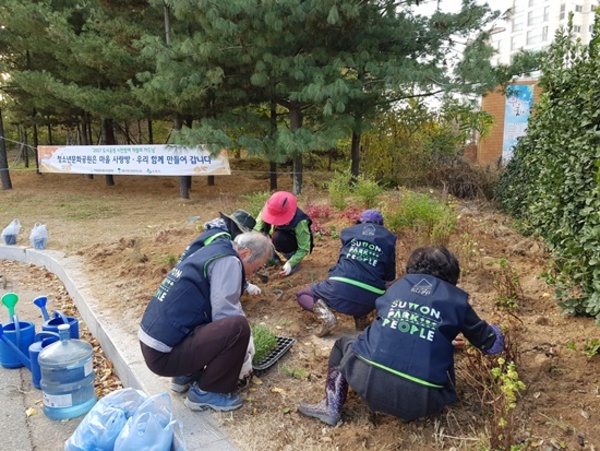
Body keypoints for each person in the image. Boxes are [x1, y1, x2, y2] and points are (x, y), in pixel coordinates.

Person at [298, 246, 504, 425]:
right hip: (425, 400)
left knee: (343, 344)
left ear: (412, 269)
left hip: (367, 381)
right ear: (453, 276)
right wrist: (496, 330)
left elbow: (398, 327)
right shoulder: (457, 301)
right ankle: (406, 410)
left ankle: (331, 406)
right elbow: (492, 345)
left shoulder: (396, 287)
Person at [138, 231, 273, 412]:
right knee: (238, 328)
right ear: (246, 253)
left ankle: (184, 375)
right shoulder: (230, 262)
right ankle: (207, 392)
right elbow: (226, 314)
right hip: (163, 356)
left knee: (211, 321)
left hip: (155, 342)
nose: (253, 273)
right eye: (256, 268)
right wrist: (244, 356)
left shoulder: (217, 247)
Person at [295, 209, 397, 337]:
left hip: (339, 290)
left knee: (302, 295)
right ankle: (362, 320)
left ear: (359, 222)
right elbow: (390, 278)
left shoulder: (349, 234)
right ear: (381, 225)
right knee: (366, 281)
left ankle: (325, 315)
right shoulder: (388, 239)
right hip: (370, 300)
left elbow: (342, 262)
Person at [178, 210, 262, 295]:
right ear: (235, 227)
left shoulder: (216, 231)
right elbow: (226, 269)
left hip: (183, 273)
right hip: (189, 281)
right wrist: (245, 285)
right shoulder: (221, 239)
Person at [253, 191, 313, 276]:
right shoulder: (270, 209)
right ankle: (272, 260)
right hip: (271, 239)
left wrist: (291, 263)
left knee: (279, 237)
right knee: (259, 236)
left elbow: (304, 248)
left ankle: (294, 263)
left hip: (288, 242)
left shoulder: (300, 221)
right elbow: (256, 230)